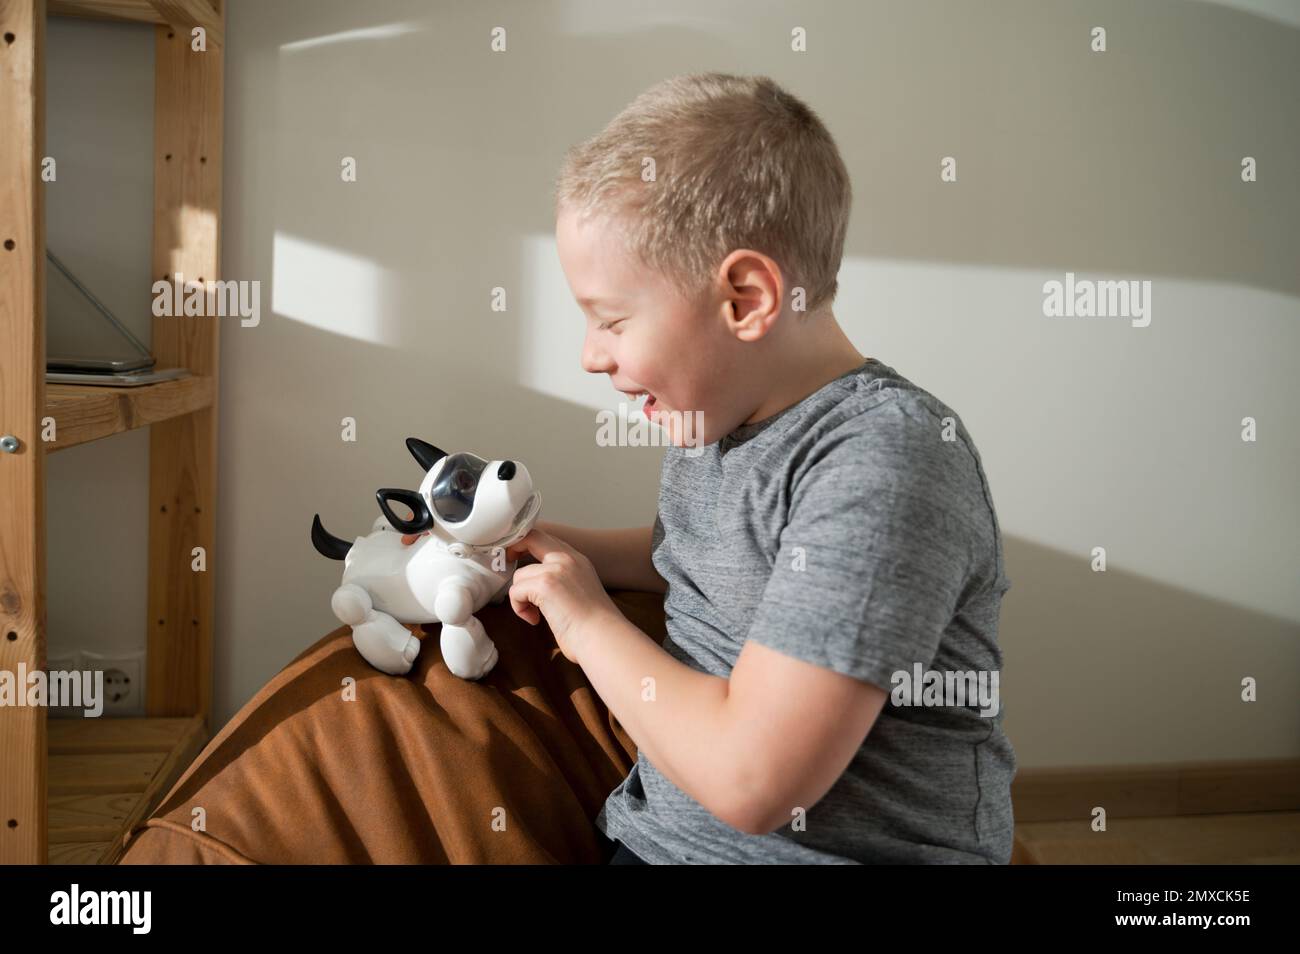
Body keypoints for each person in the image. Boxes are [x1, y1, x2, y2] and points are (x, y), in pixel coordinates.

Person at [419, 73, 1015, 864]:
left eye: (611, 319)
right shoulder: (718, 418)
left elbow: (755, 783)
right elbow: (695, 555)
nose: (590, 356)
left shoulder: (885, 463)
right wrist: (517, 546)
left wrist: (587, 622)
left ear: (745, 299)